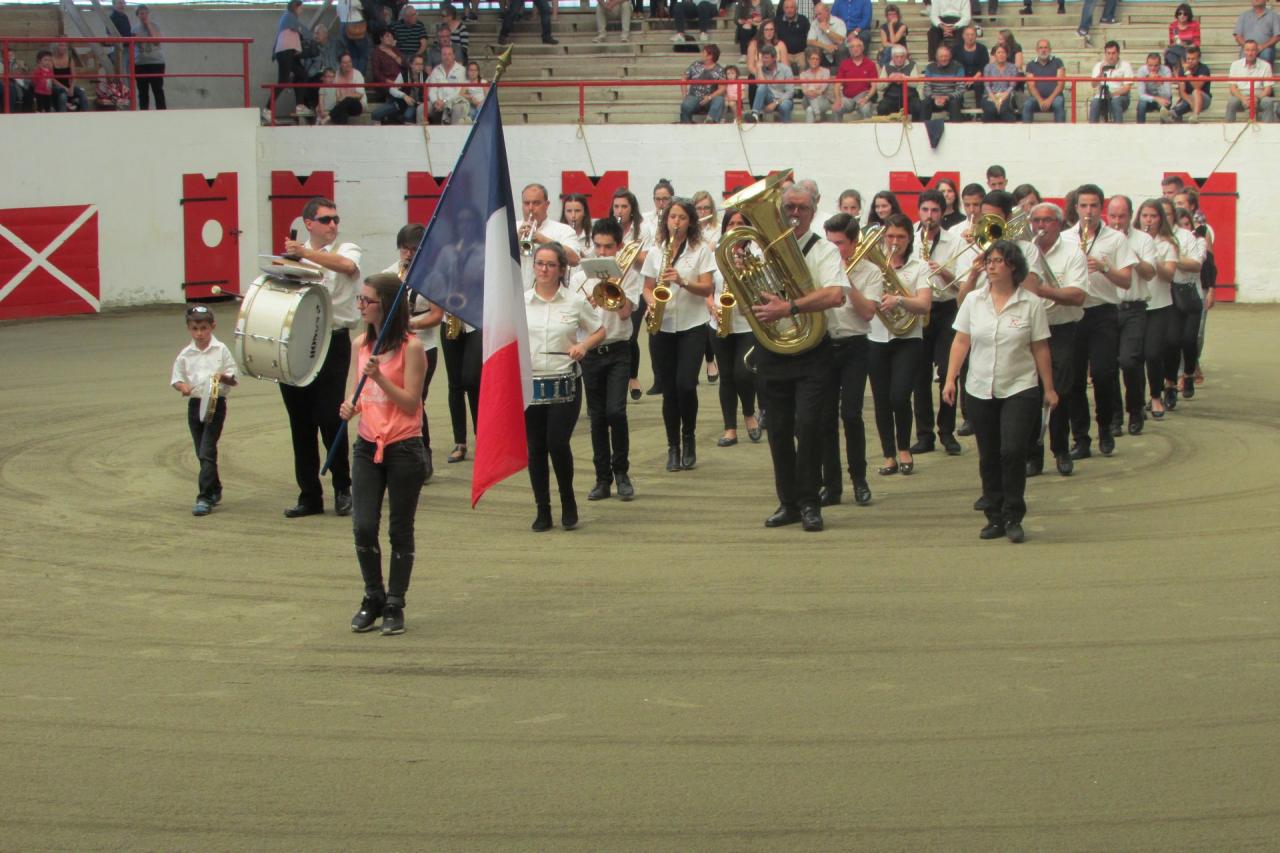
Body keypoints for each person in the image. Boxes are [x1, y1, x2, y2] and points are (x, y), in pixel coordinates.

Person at [745, 184, 846, 531]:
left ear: (814, 211)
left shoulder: (825, 252)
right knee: (779, 430)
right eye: (788, 206)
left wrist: (789, 306)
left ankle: (809, 502)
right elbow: (748, 298)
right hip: (773, 350)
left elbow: (835, 296)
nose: (794, 214)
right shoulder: (762, 252)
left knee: (809, 426)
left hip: (813, 351)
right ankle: (788, 502)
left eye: (802, 208)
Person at [943, 241, 1055, 544]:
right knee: (989, 454)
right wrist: (950, 378)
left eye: (998, 261)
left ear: (1013, 267)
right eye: (988, 261)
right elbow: (961, 341)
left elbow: (1040, 347)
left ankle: (1013, 513)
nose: (991, 266)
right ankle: (994, 515)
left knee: (1013, 450)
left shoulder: (1030, 303)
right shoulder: (974, 301)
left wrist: (1050, 388)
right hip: (979, 387)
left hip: (1020, 385)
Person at [339, 272, 427, 636]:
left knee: (399, 529)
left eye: (367, 300)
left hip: (404, 446)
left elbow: (410, 403)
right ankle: (372, 595)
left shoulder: (412, 348)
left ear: (386, 306)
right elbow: (357, 395)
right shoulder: (361, 344)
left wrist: (380, 380)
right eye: (360, 299)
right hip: (366, 444)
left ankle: (395, 602)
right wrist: (350, 407)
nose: (360, 306)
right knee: (362, 525)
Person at [280, 197, 362, 518]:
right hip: (297, 343)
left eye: (336, 219)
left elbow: (347, 268)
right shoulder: (294, 258)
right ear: (308, 223)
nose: (333, 226)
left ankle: (343, 488)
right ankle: (309, 495)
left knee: (330, 417)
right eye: (326, 220)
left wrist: (302, 254)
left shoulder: (347, 248)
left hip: (333, 339)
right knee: (300, 422)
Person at [524, 243, 605, 531]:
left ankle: (568, 501)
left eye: (550, 264)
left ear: (561, 269)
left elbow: (599, 330)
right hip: (530, 384)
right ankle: (542, 508)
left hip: (564, 381)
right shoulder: (521, 302)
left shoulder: (574, 302)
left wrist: (583, 346)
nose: (543, 269)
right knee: (535, 448)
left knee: (557, 443)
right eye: (539, 263)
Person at [1060, 184, 1136, 460]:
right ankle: (1080, 437)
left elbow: (1127, 280)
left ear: (1100, 208)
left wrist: (1104, 267)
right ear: (1076, 208)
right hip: (1074, 313)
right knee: (1074, 379)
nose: (1088, 211)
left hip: (1103, 312)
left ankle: (1105, 426)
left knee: (1104, 374)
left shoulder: (1115, 239)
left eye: (1093, 206)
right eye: (1083, 206)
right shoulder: (1065, 238)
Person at [643, 197, 716, 471]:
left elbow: (708, 289)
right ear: (666, 220)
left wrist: (683, 281)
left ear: (690, 221)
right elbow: (647, 287)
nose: (676, 222)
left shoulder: (700, 251)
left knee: (686, 384)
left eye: (682, 217)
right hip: (662, 326)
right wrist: (651, 301)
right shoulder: (656, 250)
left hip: (692, 325)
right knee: (669, 390)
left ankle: (689, 437)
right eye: (672, 217)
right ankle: (673, 446)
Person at [576, 219, 642, 502]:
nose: (602, 252)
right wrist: (590, 299)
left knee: (616, 412)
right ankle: (602, 479)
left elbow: (626, 313)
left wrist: (612, 287)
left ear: (618, 247)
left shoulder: (630, 275)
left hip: (617, 350)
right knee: (598, 417)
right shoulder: (580, 276)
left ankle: (622, 474)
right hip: (591, 354)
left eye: (608, 247)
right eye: (598, 246)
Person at [1023, 202, 1088, 477]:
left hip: (1061, 329)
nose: (1040, 226)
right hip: (1028, 331)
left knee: (1058, 392)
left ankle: (1060, 449)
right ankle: (1032, 456)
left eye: (1047, 220)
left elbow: (1077, 295)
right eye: (1036, 220)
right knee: (1030, 393)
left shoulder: (1073, 253)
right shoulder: (1023, 253)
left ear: (1059, 224)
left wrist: (1042, 290)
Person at [820, 212, 879, 507]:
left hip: (856, 345)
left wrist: (844, 281)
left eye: (840, 243)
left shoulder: (870, 271)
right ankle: (831, 485)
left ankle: (859, 480)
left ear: (854, 243)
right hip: (825, 345)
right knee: (825, 417)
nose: (833, 249)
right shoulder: (819, 266)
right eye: (829, 242)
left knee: (852, 414)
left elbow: (868, 312)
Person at [867, 212, 932, 478]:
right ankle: (889, 455)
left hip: (908, 338)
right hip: (876, 337)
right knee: (882, 399)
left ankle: (904, 447)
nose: (895, 242)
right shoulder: (872, 264)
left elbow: (925, 304)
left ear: (909, 238)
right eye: (891, 236)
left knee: (900, 395)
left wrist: (899, 300)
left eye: (901, 237)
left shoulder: (919, 266)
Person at [171, 305, 239, 517]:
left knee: (207, 449)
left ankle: (204, 497)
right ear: (188, 329)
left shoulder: (221, 350)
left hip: (215, 404)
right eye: (195, 328)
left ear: (212, 327)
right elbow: (177, 378)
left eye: (203, 328)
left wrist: (223, 377)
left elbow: (233, 378)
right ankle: (215, 488)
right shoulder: (185, 354)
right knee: (201, 451)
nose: (199, 333)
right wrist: (183, 388)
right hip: (195, 404)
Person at [910, 189, 963, 456]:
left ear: (942, 214)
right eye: (925, 210)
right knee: (919, 375)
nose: (929, 216)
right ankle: (924, 434)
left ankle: (947, 432)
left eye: (934, 211)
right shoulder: (909, 235)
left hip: (945, 308)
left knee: (947, 371)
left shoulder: (953, 242)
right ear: (918, 211)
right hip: (919, 310)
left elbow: (960, 285)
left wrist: (941, 270)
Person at [389, 224, 440, 478]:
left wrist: (410, 323)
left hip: (423, 346)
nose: (408, 254)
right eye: (404, 249)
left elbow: (437, 315)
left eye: (413, 249)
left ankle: (424, 455)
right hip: (395, 347)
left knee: (416, 401)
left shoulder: (431, 275)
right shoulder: (390, 273)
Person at [1105, 196, 1157, 437]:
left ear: (1130, 215)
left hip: (1134, 307)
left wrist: (1131, 256)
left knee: (1129, 361)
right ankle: (1114, 417)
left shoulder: (1143, 239)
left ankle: (1135, 409)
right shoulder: (1102, 238)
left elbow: (1149, 273)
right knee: (1108, 365)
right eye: (1113, 216)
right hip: (1107, 308)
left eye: (1122, 216)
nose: (1117, 221)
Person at [709, 211, 760, 449]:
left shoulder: (756, 254)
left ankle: (749, 413)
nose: (735, 227)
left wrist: (745, 270)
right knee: (727, 376)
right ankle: (730, 427)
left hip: (747, 323)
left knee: (744, 372)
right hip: (720, 321)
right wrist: (712, 307)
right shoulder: (715, 253)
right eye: (731, 223)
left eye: (741, 223)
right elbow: (707, 287)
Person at [1134, 199, 1180, 422]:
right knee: (1135, 356)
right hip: (1136, 304)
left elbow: (1169, 275)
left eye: (1153, 216)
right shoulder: (1131, 241)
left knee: (1153, 353)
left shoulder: (1167, 244)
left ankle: (1155, 395)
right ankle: (1136, 400)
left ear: (1160, 219)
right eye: (1145, 216)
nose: (1148, 220)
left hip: (1159, 305)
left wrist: (1153, 258)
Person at [1167, 207, 1205, 407]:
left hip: (1189, 294)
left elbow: (1197, 265)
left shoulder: (1194, 240)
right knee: (1171, 342)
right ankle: (1171, 384)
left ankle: (1189, 372)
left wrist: (1174, 258)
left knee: (1190, 340)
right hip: (1169, 294)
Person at [266, 0, 307, 121]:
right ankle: (267, 109)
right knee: (282, 82)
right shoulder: (288, 17)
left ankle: (300, 105)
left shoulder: (289, 18)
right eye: (301, 7)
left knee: (303, 74)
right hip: (285, 52)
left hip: (289, 53)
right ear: (296, 7)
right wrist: (313, 37)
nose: (302, 10)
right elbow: (302, 30)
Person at [1227, 39, 1277, 121]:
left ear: (1257, 51)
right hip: (1241, 95)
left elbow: (1268, 89)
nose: (1250, 53)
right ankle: (1228, 130)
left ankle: (1267, 130)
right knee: (1232, 102)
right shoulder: (1235, 64)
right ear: (1244, 51)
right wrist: (1242, 98)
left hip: (1259, 95)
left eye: (1253, 50)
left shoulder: (1266, 65)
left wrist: (1257, 98)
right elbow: (1232, 87)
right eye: (1247, 50)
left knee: (1268, 102)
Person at [833, 31, 878, 119]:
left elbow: (874, 85)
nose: (855, 49)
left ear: (863, 48)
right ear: (849, 50)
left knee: (866, 109)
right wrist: (838, 99)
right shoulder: (844, 64)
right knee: (836, 108)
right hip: (848, 99)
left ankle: (867, 132)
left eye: (858, 46)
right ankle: (837, 132)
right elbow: (837, 84)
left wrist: (866, 98)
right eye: (852, 47)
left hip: (863, 97)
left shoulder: (870, 64)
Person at [373, 53, 428, 125]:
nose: (420, 67)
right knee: (375, 114)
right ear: (411, 65)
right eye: (417, 64)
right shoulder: (403, 75)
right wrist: (404, 96)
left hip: (416, 104)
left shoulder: (426, 77)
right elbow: (392, 90)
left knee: (407, 116)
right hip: (399, 103)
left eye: (421, 64)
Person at [680, 44, 728, 123]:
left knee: (719, 99)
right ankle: (686, 125)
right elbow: (684, 77)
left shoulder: (719, 69)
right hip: (694, 97)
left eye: (704, 52)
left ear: (710, 56)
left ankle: (710, 120)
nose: (701, 54)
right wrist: (684, 95)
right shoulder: (696, 64)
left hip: (710, 98)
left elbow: (722, 88)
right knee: (686, 104)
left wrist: (709, 97)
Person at [1088, 41, 1133, 123]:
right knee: (1094, 103)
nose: (1111, 56)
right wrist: (1101, 72)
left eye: (1113, 53)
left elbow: (1127, 88)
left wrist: (1112, 95)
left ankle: (1118, 130)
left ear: (1118, 53)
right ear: (1105, 54)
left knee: (1115, 101)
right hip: (1102, 96)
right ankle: (1092, 130)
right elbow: (1093, 84)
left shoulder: (1126, 65)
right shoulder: (1098, 65)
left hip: (1121, 96)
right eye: (1108, 53)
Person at [1022, 38, 1065, 122]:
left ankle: (1061, 132)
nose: (1043, 50)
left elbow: (1060, 85)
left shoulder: (1058, 62)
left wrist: (1049, 100)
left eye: (1046, 47)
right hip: (1036, 98)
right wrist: (1040, 100)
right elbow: (1031, 87)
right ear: (1036, 50)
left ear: (1050, 49)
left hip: (1055, 97)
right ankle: (1025, 132)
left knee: (1058, 103)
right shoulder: (1030, 65)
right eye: (1040, 48)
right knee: (1027, 104)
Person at [749, 45, 795, 122]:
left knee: (785, 106)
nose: (764, 60)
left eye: (766, 58)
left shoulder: (786, 69)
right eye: (762, 57)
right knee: (762, 86)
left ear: (774, 58)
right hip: (769, 98)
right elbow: (760, 87)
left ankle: (786, 129)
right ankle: (755, 115)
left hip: (782, 99)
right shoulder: (760, 69)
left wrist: (775, 103)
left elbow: (790, 92)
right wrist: (759, 69)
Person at [921, 44, 965, 121]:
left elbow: (961, 89)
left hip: (951, 98)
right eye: (941, 56)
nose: (944, 58)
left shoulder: (958, 67)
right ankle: (922, 128)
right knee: (925, 103)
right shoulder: (929, 67)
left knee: (954, 103)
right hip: (934, 98)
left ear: (950, 56)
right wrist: (934, 97)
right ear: (936, 57)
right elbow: (926, 88)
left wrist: (947, 97)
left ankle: (955, 129)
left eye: (946, 56)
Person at [134, 5, 166, 110]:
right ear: (137, 15)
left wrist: (148, 25)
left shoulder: (155, 25)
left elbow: (157, 42)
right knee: (142, 92)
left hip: (156, 62)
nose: (144, 16)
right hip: (140, 63)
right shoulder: (134, 28)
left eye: (146, 13)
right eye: (141, 13)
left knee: (158, 90)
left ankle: (162, 113)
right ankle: (143, 114)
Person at [426, 43, 467, 125]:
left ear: (454, 56)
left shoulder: (462, 70)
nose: (447, 57)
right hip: (437, 102)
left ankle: (454, 135)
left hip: (455, 102)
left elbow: (458, 92)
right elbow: (432, 89)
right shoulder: (436, 70)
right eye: (444, 54)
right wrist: (435, 101)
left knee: (457, 109)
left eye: (449, 54)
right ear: (441, 57)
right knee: (421, 108)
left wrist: (444, 101)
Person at [877, 44, 921, 118]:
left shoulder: (913, 65)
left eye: (902, 57)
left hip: (910, 97)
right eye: (897, 57)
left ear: (905, 56)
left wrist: (904, 78)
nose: (899, 59)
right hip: (891, 97)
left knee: (918, 106)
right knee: (882, 107)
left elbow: (915, 83)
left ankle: (916, 127)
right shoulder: (886, 66)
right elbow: (879, 87)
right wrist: (889, 80)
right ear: (892, 57)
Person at [1171, 44, 1211, 122]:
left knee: (1196, 92)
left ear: (1198, 59)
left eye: (1193, 59)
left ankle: (1195, 116)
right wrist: (1190, 101)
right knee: (1182, 103)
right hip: (1188, 98)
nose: (1190, 61)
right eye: (1188, 59)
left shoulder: (1204, 69)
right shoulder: (1182, 70)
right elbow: (1182, 92)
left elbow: (1197, 87)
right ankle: (1173, 114)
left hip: (1204, 99)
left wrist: (1188, 73)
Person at [980, 42, 1018, 121]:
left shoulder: (1012, 67)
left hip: (1006, 94)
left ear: (1007, 54)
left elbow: (1012, 85)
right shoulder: (988, 67)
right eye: (998, 52)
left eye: (1003, 52)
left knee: (1003, 110)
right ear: (995, 55)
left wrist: (1003, 96)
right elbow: (987, 85)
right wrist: (994, 99)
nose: (1001, 55)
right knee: (991, 110)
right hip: (991, 95)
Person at [1234, 0, 1280, 65]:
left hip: (1265, 48)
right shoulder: (1244, 15)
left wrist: (1262, 47)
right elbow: (1237, 36)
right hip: (1247, 47)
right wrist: (1249, 48)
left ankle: (1264, 74)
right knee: (1245, 53)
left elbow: (1277, 36)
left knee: (1266, 53)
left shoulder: (1274, 15)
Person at [326, 52, 366, 125]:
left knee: (347, 100)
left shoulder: (357, 74)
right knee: (343, 112)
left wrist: (345, 96)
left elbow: (360, 94)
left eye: (349, 62)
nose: (348, 64)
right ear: (340, 64)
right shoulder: (336, 75)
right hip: (341, 105)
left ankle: (328, 117)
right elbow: (334, 93)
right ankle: (341, 132)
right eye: (344, 62)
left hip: (357, 105)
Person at [1134, 52, 1174, 123]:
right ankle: (1139, 127)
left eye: (1156, 66)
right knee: (1141, 104)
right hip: (1149, 99)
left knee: (1165, 104)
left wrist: (1159, 83)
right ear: (1146, 64)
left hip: (1163, 98)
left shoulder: (1166, 70)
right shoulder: (1142, 71)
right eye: (1150, 66)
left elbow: (1168, 95)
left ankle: (1165, 128)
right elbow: (1141, 95)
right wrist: (1156, 99)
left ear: (1160, 65)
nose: (1153, 68)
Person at [953, 25, 989, 102]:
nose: (970, 37)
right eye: (967, 35)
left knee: (979, 84)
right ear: (963, 36)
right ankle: (959, 109)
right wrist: (962, 79)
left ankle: (980, 110)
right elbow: (953, 65)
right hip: (961, 77)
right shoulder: (956, 49)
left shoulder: (982, 49)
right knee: (958, 85)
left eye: (972, 35)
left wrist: (974, 79)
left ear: (976, 36)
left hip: (977, 77)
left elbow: (984, 66)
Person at [335, 0, 371, 76]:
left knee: (353, 55)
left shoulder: (340, 1)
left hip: (343, 25)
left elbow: (338, 13)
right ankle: (359, 78)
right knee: (362, 55)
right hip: (356, 25)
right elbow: (363, 6)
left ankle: (352, 77)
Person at [369, 29, 404, 105]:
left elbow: (405, 65)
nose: (390, 38)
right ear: (381, 38)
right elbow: (376, 72)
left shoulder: (396, 50)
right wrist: (388, 81)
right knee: (393, 91)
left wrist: (395, 56)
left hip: (399, 81)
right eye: (387, 36)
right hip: (385, 82)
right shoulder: (376, 53)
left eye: (391, 36)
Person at [808, 2, 848, 67]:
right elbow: (810, 41)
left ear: (827, 12)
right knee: (809, 49)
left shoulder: (839, 22)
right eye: (816, 15)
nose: (818, 17)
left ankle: (843, 73)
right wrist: (826, 46)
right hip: (822, 52)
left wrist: (826, 30)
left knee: (842, 48)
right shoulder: (815, 23)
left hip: (836, 51)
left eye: (820, 14)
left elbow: (840, 40)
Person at [800, 47, 835, 121]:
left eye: (817, 59)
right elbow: (805, 91)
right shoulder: (803, 74)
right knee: (810, 91)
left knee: (810, 110)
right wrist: (812, 91)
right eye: (812, 59)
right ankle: (817, 113)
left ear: (820, 60)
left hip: (823, 99)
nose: (814, 61)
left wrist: (812, 91)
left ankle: (816, 114)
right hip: (807, 100)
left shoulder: (826, 72)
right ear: (808, 60)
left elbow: (822, 90)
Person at [1166, 3, 1199, 70]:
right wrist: (1176, 44)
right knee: (1171, 53)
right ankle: (1181, 70)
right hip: (1177, 48)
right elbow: (1172, 42)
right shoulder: (1173, 25)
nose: (1182, 16)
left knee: (1169, 52)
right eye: (1179, 13)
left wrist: (1185, 45)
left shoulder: (1194, 25)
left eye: (1185, 14)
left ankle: (1177, 74)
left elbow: (1197, 43)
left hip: (1191, 48)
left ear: (1189, 15)